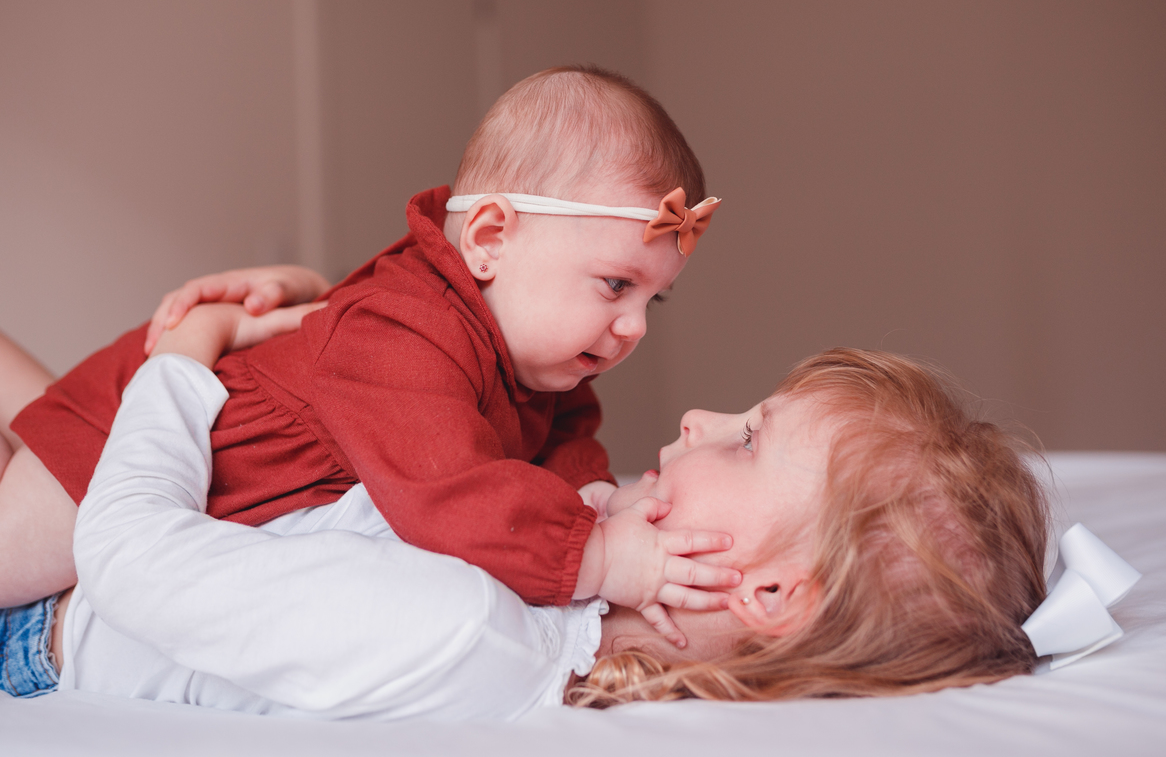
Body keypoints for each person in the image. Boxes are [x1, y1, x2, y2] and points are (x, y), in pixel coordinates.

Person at [2, 303, 1050, 713]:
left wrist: (177, 366)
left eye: (747, 436)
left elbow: (133, 554)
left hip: (46, 617)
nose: (697, 412)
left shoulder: (463, 627)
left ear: (767, 586)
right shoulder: (554, 588)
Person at [0, 66, 734, 643]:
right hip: (109, 444)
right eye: (615, 286)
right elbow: (452, 497)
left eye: (652, 300)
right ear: (486, 241)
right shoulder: (403, 334)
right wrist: (600, 560)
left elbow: (564, 450)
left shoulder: (544, 368)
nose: (634, 327)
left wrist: (600, 500)